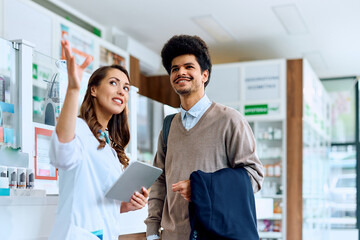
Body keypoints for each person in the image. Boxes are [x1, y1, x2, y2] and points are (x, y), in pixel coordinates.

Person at [145, 35, 264, 240]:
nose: (181, 72)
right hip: (171, 236)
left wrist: (201, 187)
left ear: (204, 75)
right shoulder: (168, 126)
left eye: (189, 66)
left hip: (214, 234)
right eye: (174, 69)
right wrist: (152, 232)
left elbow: (254, 176)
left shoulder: (230, 120)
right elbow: (159, 181)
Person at [49, 40, 149, 240]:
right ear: (93, 90)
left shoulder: (109, 143)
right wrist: (73, 89)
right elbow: (62, 155)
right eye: (113, 83)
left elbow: (97, 199)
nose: (122, 91)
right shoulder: (77, 128)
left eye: (126, 88)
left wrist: (126, 205)